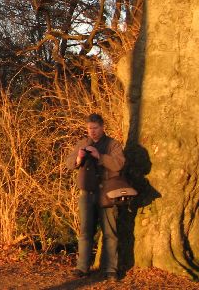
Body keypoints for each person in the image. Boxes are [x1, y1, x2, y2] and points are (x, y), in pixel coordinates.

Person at [66, 113, 125, 281]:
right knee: (85, 232)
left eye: (95, 128)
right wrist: (79, 158)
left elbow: (119, 164)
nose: (92, 131)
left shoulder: (113, 144)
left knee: (110, 233)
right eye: (89, 128)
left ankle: (111, 270)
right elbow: (69, 164)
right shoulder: (82, 143)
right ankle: (82, 268)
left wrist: (100, 156)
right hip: (87, 194)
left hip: (107, 194)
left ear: (102, 127)